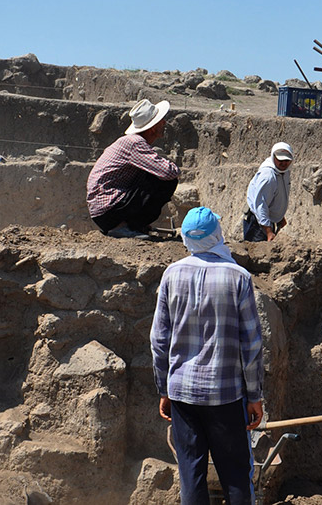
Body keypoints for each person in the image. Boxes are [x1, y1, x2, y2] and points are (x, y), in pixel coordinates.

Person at [151, 207, 265, 505]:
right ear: (217, 234)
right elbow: (251, 343)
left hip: (183, 395)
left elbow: (159, 339)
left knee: (191, 475)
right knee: (236, 475)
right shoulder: (238, 277)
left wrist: (164, 388)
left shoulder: (171, 274)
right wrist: (254, 395)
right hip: (224, 394)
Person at [86, 99, 180, 239]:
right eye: (161, 120)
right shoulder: (135, 143)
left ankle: (131, 225)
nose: (165, 123)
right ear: (153, 127)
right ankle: (123, 227)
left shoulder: (130, 142)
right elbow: (169, 172)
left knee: (150, 173)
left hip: (104, 210)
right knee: (165, 181)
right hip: (109, 210)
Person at [242, 142, 293, 242]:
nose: (283, 163)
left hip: (266, 221)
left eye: (287, 160)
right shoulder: (268, 176)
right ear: (273, 157)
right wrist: (269, 232)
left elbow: (277, 196)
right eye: (280, 160)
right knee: (258, 254)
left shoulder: (284, 172)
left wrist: (279, 217)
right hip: (257, 222)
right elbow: (260, 205)